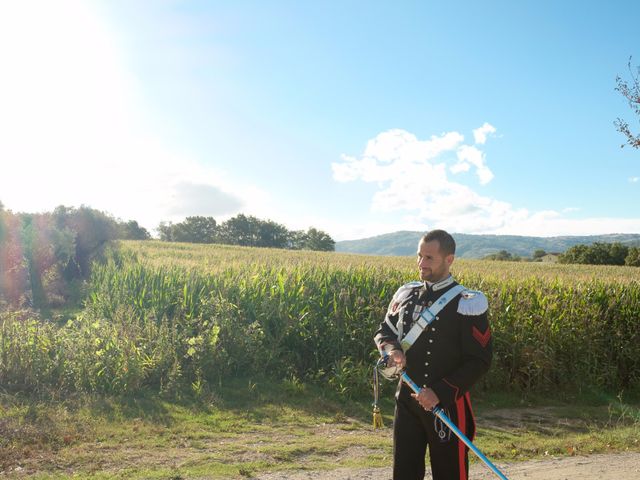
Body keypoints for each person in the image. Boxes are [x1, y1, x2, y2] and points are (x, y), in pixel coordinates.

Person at [374, 229, 492, 480]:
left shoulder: (467, 302)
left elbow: (479, 361)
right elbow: (385, 331)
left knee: (450, 474)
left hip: (447, 404)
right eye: (419, 256)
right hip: (407, 400)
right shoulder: (406, 294)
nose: (421, 263)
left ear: (449, 260)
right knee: (404, 472)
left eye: (429, 258)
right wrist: (393, 350)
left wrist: (440, 392)